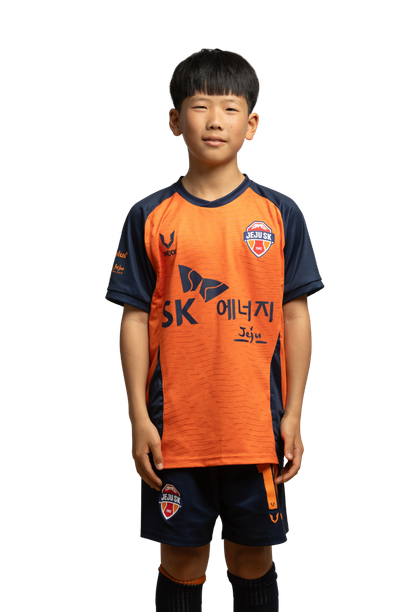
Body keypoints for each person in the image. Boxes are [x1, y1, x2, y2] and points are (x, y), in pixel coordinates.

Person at [105, 47, 325, 612]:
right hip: (175, 430)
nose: (214, 120)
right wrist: (139, 417)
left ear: (252, 125)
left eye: (230, 108)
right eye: (200, 106)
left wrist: (293, 413)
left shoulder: (280, 213)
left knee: (252, 557)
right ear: (175, 120)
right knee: (181, 559)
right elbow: (134, 317)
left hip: (255, 428)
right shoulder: (149, 214)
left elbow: (295, 314)